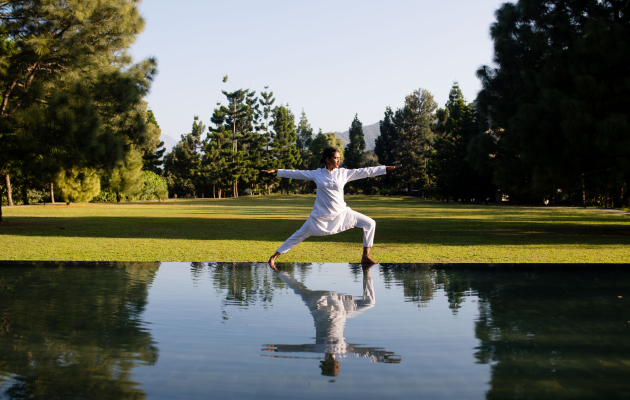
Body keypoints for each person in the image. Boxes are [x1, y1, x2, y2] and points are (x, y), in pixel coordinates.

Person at [262, 147, 401, 268]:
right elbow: (296, 173)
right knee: (299, 235)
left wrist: (385, 168)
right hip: (320, 216)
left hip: (343, 213)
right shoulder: (317, 173)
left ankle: (365, 256)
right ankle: (274, 257)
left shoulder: (344, 173)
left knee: (370, 223)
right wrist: (277, 171)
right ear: (327, 159)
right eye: (335, 158)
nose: (338, 161)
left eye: (339, 158)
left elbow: (365, 171)